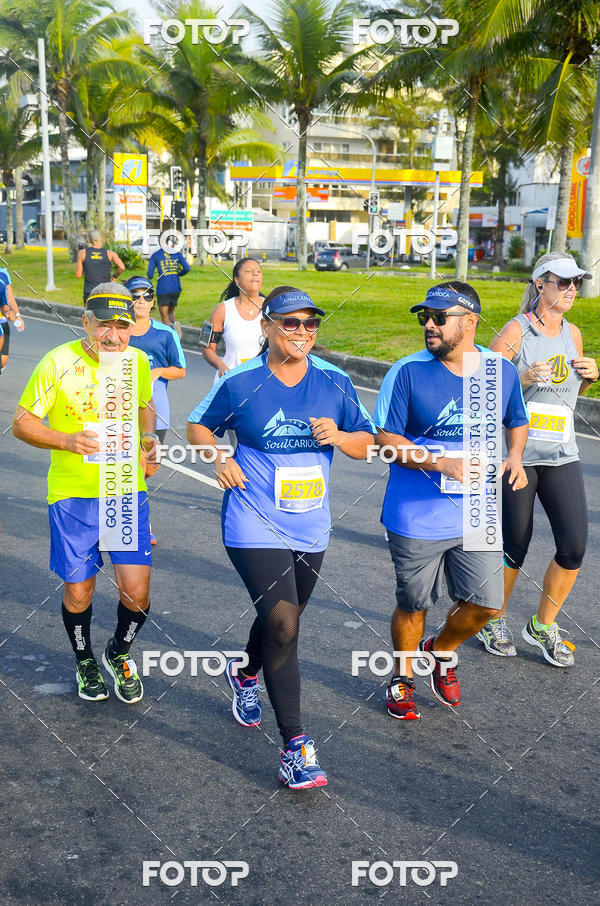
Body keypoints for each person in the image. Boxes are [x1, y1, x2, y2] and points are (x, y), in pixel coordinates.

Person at [187, 286, 374, 789]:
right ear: (267, 325)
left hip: (311, 524)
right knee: (285, 623)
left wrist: (339, 436)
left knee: (280, 620)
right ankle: (296, 746)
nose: (302, 333)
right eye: (291, 323)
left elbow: (366, 442)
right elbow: (198, 427)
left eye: (311, 324)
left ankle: (245, 673)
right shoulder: (241, 379)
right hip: (253, 519)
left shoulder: (335, 381)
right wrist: (219, 458)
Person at [374, 281, 529, 720]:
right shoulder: (407, 372)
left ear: (471, 322)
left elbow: (517, 418)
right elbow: (385, 440)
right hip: (415, 515)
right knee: (414, 604)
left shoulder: (500, 370)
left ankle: (440, 651)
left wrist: (515, 455)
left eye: (440, 317)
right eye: (425, 316)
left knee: (487, 604)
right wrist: (441, 464)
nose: (429, 325)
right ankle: (402, 678)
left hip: (476, 512)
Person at [12, 283, 159, 704]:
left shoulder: (138, 361)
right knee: (80, 591)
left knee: (137, 592)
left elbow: (145, 404)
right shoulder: (57, 362)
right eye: (104, 327)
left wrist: (149, 437)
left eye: (122, 327)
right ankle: (85, 659)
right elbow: (22, 423)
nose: (113, 337)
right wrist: (66, 441)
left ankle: (119, 651)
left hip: (127, 491)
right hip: (73, 495)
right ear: (86, 322)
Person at [477, 252, 597, 666]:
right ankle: (493, 617)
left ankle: (542, 625)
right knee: (515, 543)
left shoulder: (573, 333)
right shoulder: (516, 330)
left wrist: (591, 372)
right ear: (540, 284)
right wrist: (521, 378)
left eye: (574, 283)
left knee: (574, 546)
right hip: (518, 455)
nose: (569, 289)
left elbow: (568, 394)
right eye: (561, 282)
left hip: (562, 453)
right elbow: (480, 389)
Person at [125, 275, 187, 443]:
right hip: (119, 410)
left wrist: (158, 371)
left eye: (147, 296)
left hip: (157, 410)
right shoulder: (116, 332)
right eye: (135, 296)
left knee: (150, 467)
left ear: (153, 302)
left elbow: (180, 371)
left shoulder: (167, 333)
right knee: (119, 465)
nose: (141, 301)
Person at [202, 258, 265, 381]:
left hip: (261, 382)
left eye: (258, 271)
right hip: (231, 380)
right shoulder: (222, 310)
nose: (255, 273)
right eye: (249, 271)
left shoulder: (271, 308)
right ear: (237, 279)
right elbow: (207, 348)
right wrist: (221, 366)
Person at [147, 240, 190, 337]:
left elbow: (150, 274)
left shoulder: (156, 255)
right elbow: (187, 268)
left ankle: (172, 336)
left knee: (164, 315)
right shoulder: (176, 253)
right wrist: (178, 274)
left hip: (163, 288)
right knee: (171, 312)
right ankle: (175, 323)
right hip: (176, 287)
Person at [75, 230, 125, 303]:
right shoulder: (110, 253)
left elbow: (78, 275)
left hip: (89, 291)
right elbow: (122, 267)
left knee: (89, 313)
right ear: (101, 239)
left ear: (89, 240)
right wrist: (114, 276)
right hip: (106, 290)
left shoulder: (82, 253)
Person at [0, 264, 25, 371]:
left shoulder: (3, 274)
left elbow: (8, 297)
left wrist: (16, 315)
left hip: (2, 322)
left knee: (3, 361)